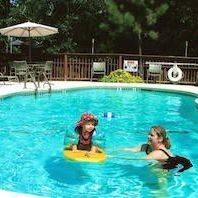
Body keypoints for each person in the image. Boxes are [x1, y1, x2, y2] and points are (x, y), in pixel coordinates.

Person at [122, 126, 192, 172]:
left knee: (157, 176)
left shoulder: (158, 153)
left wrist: (114, 157)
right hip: (165, 163)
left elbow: (138, 159)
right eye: (148, 134)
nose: (148, 136)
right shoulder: (146, 146)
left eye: (151, 135)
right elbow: (131, 150)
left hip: (175, 165)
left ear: (160, 139)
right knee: (152, 167)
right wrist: (112, 151)